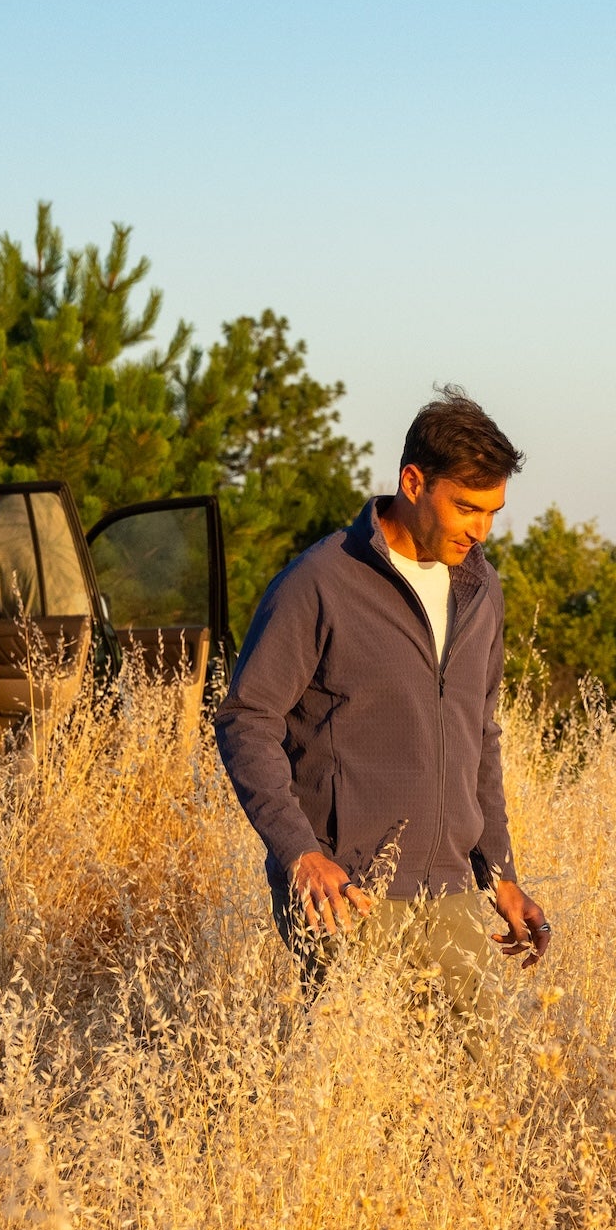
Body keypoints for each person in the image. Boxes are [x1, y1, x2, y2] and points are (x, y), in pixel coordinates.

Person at [216, 388, 551, 991]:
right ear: (414, 482)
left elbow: (480, 735)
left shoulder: (482, 590)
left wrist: (498, 872)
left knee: (471, 1080)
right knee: (350, 1084)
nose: (482, 530)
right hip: (348, 893)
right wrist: (300, 854)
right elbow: (246, 719)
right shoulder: (319, 582)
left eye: (493, 512)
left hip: (448, 892)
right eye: (467, 508)